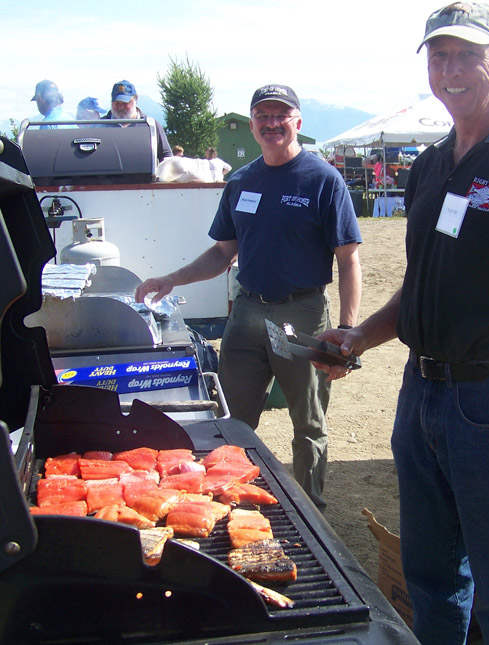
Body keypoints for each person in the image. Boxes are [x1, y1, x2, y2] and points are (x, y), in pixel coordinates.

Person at [314, 4, 489, 643]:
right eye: (439, 56)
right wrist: (359, 337)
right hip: (422, 394)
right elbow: (423, 286)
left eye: (469, 54)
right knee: (433, 578)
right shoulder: (433, 163)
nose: (452, 70)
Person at [135, 84, 362, 512]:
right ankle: (229, 500)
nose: (272, 123)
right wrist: (172, 279)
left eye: (281, 115)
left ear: (297, 121)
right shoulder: (241, 180)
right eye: (263, 115)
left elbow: (348, 261)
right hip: (248, 312)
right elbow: (223, 252)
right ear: (253, 122)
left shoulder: (323, 180)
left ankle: (310, 509)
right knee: (231, 419)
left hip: (302, 313)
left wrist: (347, 330)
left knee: (308, 421)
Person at [102, 80, 173, 162]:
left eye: (125, 103)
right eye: (117, 103)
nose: (120, 107)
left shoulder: (150, 125)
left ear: (135, 100)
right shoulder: (99, 126)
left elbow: (166, 156)